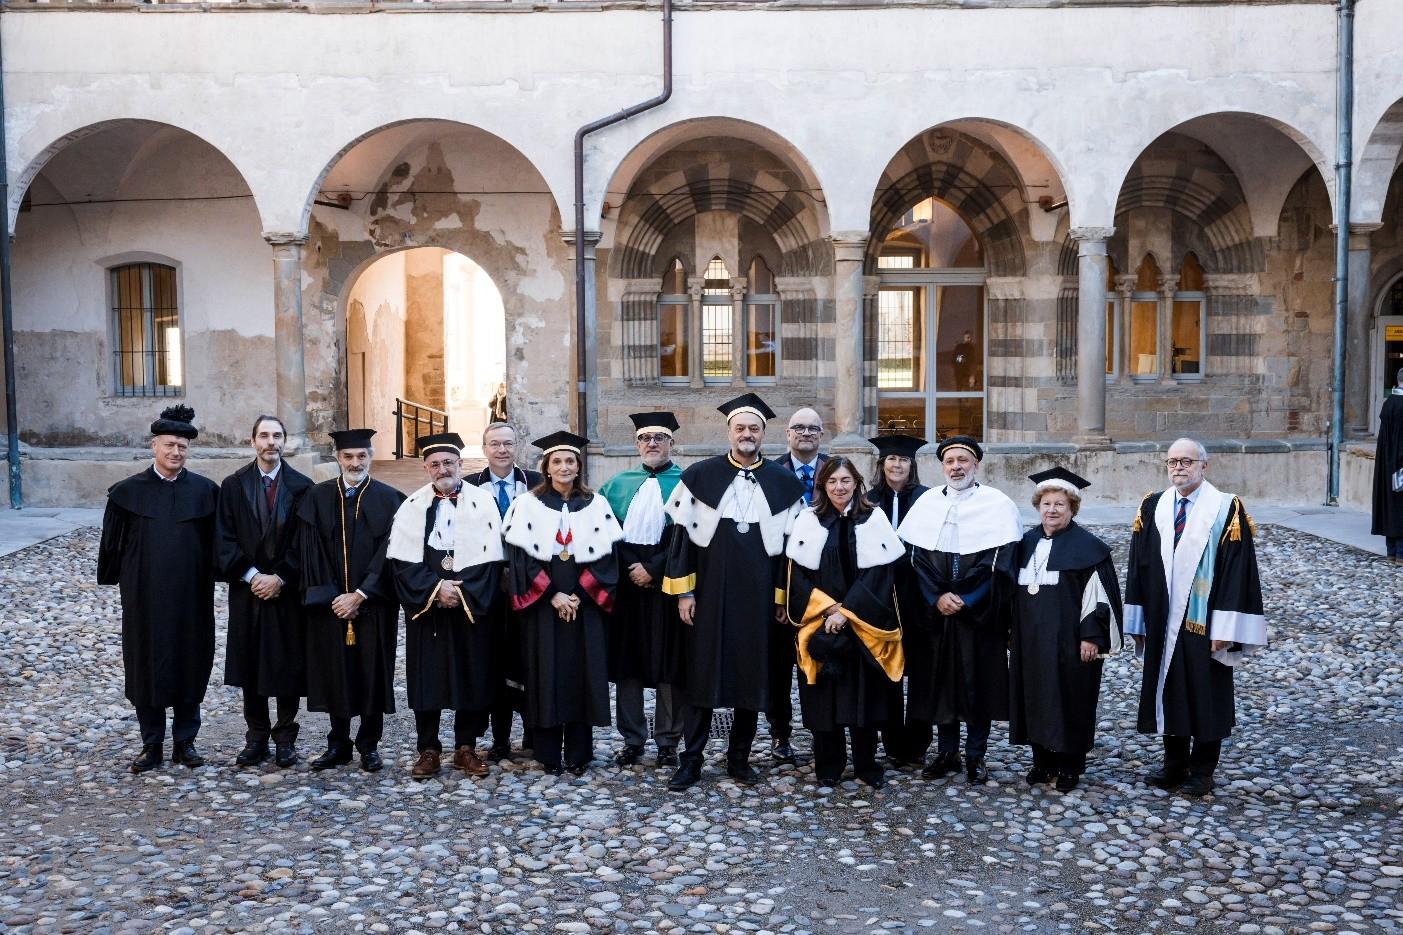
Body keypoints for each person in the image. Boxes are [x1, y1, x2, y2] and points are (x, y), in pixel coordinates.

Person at [663, 393, 806, 790]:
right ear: (729, 432)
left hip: (758, 599)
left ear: (764, 434)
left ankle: (739, 758)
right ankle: (691, 760)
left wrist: (782, 599)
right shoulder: (700, 476)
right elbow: (681, 541)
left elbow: (790, 554)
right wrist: (685, 593)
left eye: (754, 429)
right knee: (701, 675)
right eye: (740, 428)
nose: (747, 434)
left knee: (750, 676)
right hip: (709, 595)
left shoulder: (784, 482)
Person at [1124, 438, 1267, 797]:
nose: (1179, 467)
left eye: (1187, 461)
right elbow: (1138, 565)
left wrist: (1227, 627)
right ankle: (1174, 765)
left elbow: (1238, 572)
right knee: (1168, 688)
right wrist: (1137, 621)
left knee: (1206, 691)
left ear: (1204, 465)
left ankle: (1202, 770)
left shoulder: (1225, 509)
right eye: (1173, 461)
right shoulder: (1153, 505)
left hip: (1203, 621)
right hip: (1161, 617)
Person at [98, 405, 219, 773]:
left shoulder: (206, 492)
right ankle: (151, 744)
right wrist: (117, 580)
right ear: (154, 446)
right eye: (169, 445)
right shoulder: (127, 492)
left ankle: (185, 741)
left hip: (191, 596)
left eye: (182, 447)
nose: (175, 452)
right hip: (144, 596)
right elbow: (112, 546)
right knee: (146, 664)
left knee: (190, 661)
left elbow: (217, 546)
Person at [898, 435, 1022, 784]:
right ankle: (947, 752)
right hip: (936, 616)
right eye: (950, 461)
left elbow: (999, 562)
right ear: (942, 466)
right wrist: (936, 597)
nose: (956, 467)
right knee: (941, 683)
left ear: (976, 465)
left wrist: (967, 598)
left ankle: (975, 754)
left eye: (963, 460)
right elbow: (915, 559)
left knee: (978, 683)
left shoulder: (997, 505)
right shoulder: (926, 504)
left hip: (978, 615)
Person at [503, 431, 623, 775]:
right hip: (544, 606)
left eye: (570, 461)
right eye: (557, 461)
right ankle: (548, 754)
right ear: (547, 467)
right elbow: (520, 559)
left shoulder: (596, 504)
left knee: (581, 674)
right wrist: (552, 595)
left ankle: (579, 754)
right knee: (545, 674)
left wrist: (579, 595)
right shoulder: (527, 504)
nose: (564, 467)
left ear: (578, 466)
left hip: (585, 605)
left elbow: (607, 558)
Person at [389, 433, 505, 780]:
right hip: (429, 608)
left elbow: (492, 559)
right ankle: (429, 749)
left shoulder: (484, 502)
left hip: (471, 604)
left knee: (472, 672)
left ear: (461, 464)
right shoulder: (412, 506)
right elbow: (402, 562)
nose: (443, 469)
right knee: (428, 676)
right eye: (435, 464)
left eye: (449, 463)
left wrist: (461, 590)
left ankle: (465, 747)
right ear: (426, 469)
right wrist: (436, 588)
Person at [785, 456, 905, 789]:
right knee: (824, 697)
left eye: (846, 481)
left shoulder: (873, 518)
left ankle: (867, 764)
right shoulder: (808, 520)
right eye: (833, 481)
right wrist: (828, 609)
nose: (839, 487)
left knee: (865, 697)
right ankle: (829, 765)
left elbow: (880, 575)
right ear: (823, 485)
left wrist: (847, 611)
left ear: (856, 483)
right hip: (821, 623)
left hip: (863, 625)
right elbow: (797, 577)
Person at [1003, 467, 1123, 792]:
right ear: (1038, 507)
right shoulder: (1025, 542)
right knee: (1035, 697)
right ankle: (1042, 762)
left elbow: (1099, 597)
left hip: (1070, 642)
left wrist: (1091, 637)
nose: (1052, 510)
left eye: (1060, 504)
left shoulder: (1089, 548)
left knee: (1072, 700)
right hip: (1030, 641)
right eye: (1047, 504)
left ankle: (1070, 766)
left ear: (1072, 508)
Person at [298, 429, 404, 772]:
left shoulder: (391, 499)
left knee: (373, 671)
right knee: (335, 671)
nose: (355, 463)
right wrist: (334, 596)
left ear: (370, 457)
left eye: (361, 456)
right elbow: (311, 552)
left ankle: (369, 744)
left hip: (374, 604)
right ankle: (338, 743)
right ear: (337, 458)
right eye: (348, 456)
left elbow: (391, 553)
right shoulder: (317, 497)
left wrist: (361, 594)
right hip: (331, 606)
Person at [216, 414, 314, 768]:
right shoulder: (233, 485)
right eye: (264, 436)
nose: (270, 442)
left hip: (286, 591)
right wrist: (253, 575)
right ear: (253, 441)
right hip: (249, 589)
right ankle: (256, 736)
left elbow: (306, 542)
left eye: (277, 436)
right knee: (250, 663)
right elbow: (224, 537)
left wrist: (281, 577)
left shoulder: (302, 487)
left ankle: (285, 737)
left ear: (284, 441)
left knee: (288, 663)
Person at [598, 412, 686, 768]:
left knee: (670, 664)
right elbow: (607, 534)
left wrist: (654, 569)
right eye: (645, 438)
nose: (652, 443)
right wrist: (633, 567)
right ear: (637, 444)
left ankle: (668, 740)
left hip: (669, 583)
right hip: (627, 587)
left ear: (671, 444)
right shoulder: (617, 484)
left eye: (659, 438)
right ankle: (632, 738)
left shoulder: (687, 484)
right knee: (628, 665)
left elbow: (687, 537)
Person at [466, 422, 542, 761]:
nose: (502, 450)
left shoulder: (536, 483)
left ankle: (533, 732)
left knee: (528, 659)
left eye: (508, 443)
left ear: (517, 446)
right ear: (484, 448)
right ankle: (499, 738)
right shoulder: (469, 486)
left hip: (529, 585)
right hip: (486, 588)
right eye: (495, 444)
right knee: (494, 662)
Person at [766, 407, 829, 765]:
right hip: (779, 580)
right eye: (799, 428)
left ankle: (822, 731)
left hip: (822, 584)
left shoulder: (836, 472)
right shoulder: (770, 473)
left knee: (817, 661)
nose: (806, 433)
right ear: (788, 433)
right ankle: (780, 732)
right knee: (778, 666)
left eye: (812, 428)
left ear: (821, 435)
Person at [865, 433, 932, 768]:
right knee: (886, 669)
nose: (897, 465)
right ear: (882, 464)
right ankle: (891, 741)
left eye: (903, 460)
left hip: (918, 596)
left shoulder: (927, 499)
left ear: (912, 465)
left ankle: (917, 743)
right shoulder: (868, 500)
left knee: (921, 672)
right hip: (881, 596)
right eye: (891, 459)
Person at [1371, 367, 1403, 561]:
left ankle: (1392, 551)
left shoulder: (1388, 403)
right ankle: (1400, 552)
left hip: (1387, 464)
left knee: (1391, 505)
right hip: (1400, 463)